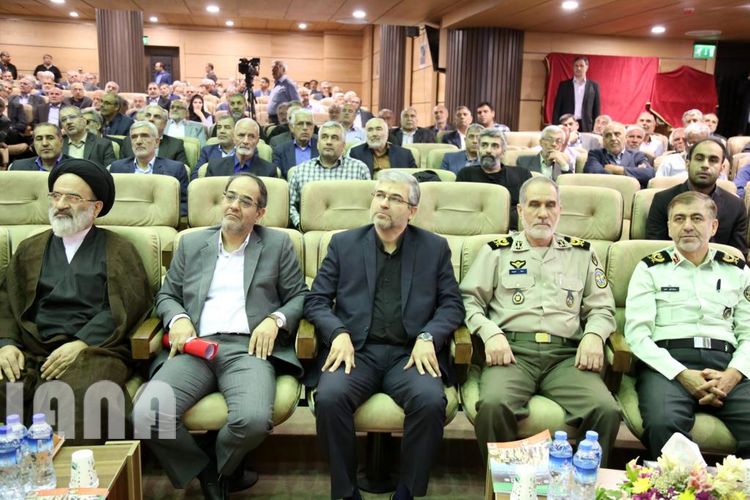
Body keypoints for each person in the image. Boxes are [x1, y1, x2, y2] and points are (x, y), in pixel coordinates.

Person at [132, 173, 307, 499]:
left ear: (260, 213)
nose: (234, 205)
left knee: (253, 420)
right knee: (147, 413)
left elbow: (299, 296)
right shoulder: (192, 243)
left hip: (248, 349)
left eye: (246, 201)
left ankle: (219, 466)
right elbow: (167, 295)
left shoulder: (277, 244)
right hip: (196, 347)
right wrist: (179, 319)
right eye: (230, 196)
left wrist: (275, 320)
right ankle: (206, 470)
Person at [305, 170, 465, 500]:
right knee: (329, 398)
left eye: (394, 198)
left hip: (409, 354)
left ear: (412, 210)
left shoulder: (434, 248)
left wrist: (428, 337)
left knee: (430, 401)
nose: (383, 203)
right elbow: (316, 300)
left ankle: (406, 491)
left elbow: (452, 305)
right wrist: (337, 333)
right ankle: (346, 492)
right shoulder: (344, 244)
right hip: (356, 353)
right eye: (380, 195)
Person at [460, 176, 621, 464]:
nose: (543, 213)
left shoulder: (582, 253)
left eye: (550, 205)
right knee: (493, 406)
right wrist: (490, 333)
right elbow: (468, 301)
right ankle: (506, 485)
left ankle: (582, 484)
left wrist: (594, 335)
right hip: (512, 354)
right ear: (520, 210)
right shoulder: (497, 251)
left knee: (605, 411)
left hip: (566, 358)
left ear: (560, 210)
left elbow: (602, 307)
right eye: (534, 205)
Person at [0, 159, 152, 443]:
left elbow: (125, 307)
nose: (60, 205)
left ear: (96, 207)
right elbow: (8, 299)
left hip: (95, 349)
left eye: (72, 197)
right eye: (55, 195)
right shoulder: (30, 247)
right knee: (6, 382)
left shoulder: (118, 249)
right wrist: (7, 344)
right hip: (33, 346)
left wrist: (81, 343)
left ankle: (70, 470)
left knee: (75, 396)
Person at [625, 191, 750, 459]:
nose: (688, 226)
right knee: (662, 423)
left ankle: (735, 482)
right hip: (668, 366)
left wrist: (733, 374)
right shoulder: (650, 269)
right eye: (679, 219)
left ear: (713, 226)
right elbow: (637, 336)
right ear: (669, 227)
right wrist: (682, 374)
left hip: (727, 364)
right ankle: (684, 483)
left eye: (697, 218)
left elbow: (749, 332)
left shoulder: (737, 270)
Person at [647, 138, 748, 256]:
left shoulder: (736, 206)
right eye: (699, 159)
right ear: (687, 164)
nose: (705, 165)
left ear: (722, 168)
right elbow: (653, 249)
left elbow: (738, 255)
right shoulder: (662, 200)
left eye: (713, 160)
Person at [288, 121, 370, 230]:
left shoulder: (359, 169)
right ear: (318, 144)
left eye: (334, 138)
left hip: (350, 232)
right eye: (324, 137)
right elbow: (290, 206)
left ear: (343, 145)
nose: (329, 142)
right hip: (312, 232)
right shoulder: (301, 170)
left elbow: (369, 206)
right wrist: (301, 225)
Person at [456, 128, 531, 230]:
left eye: (495, 146)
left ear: (503, 152)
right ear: (478, 150)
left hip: (513, 232)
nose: (488, 150)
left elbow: (530, 210)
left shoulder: (522, 175)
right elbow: (460, 213)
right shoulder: (465, 175)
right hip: (474, 231)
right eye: (484, 145)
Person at [110, 120, 189, 215]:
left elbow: (184, 205)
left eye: (144, 136)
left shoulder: (175, 169)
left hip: (159, 220)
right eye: (134, 137)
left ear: (157, 142)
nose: (138, 141)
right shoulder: (117, 168)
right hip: (126, 219)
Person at [584, 122, 654, 188]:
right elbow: (593, 172)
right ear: (603, 140)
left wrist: (618, 170)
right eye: (608, 135)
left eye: (617, 134)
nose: (613, 138)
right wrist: (634, 173)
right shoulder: (595, 154)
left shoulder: (637, 156)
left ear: (625, 138)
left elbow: (649, 174)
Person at [203, 118, 275, 179]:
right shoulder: (215, 167)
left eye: (251, 136)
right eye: (241, 135)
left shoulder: (269, 171)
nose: (245, 141)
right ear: (234, 138)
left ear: (257, 141)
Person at [120, 104, 187, 165]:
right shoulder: (128, 141)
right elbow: (121, 168)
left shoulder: (176, 145)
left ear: (165, 124)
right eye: (148, 115)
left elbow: (182, 170)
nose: (151, 119)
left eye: (157, 117)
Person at [348, 117, 417, 176]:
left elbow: (416, 178)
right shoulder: (356, 153)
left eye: (378, 129)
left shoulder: (405, 154)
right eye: (370, 130)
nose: (374, 134)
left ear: (387, 133)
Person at [552, 56, 601, 132]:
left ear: (587, 67)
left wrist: (597, 127)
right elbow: (557, 108)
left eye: (581, 66)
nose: (578, 68)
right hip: (567, 124)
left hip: (586, 125)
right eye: (576, 66)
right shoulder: (564, 85)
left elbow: (596, 109)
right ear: (573, 67)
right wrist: (555, 127)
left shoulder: (594, 86)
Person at [272, 108, 318, 179]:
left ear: (313, 127)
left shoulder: (321, 148)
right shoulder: (280, 151)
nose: (305, 128)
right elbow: (278, 178)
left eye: (309, 124)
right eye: (300, 124)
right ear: (291, 127)